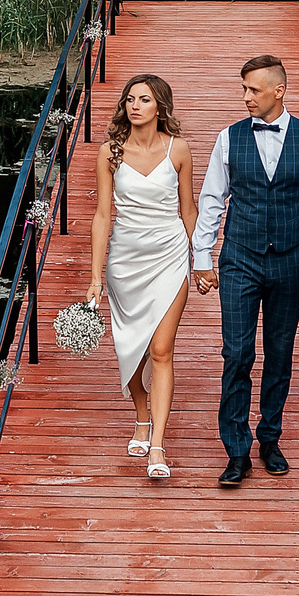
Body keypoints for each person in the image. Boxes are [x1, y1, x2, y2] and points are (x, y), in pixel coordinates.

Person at [190, 53, 299, 487]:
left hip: (291, 261)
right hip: (239, 258)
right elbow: (212, 201)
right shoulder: (228, 138)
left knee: (279, 354)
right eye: (243, 89)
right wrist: (203, 257)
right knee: (236, 354)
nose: (246, 98)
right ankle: (236, 451)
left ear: (279, 90)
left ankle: (269, 438)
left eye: (253, 90)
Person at [86, 73, 196, 481]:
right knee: (130, 345)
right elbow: (102, 216)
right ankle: (141, 414)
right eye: (130, 99)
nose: (135, 106)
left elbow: (189, 212)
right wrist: (96, 275)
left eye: (144, 100)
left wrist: (202, 259)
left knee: (162, 349)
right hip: (125, 261)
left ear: (159, 106)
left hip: (169, 256)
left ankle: (158, 445)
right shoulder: (110, 153)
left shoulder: (179, 150)